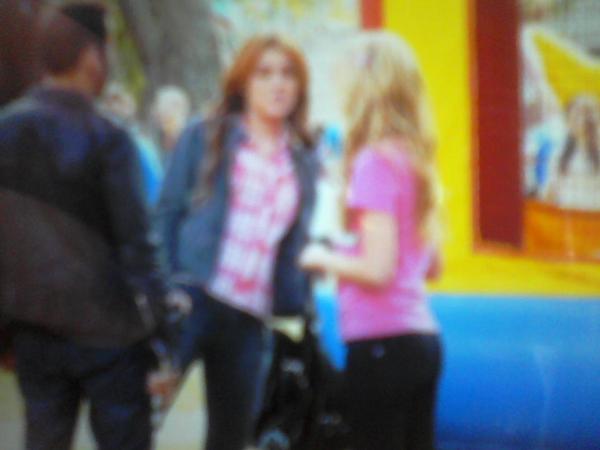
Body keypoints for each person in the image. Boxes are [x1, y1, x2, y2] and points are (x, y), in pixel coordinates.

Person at [0, 4, 185, 449]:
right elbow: (137, 246)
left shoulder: (6, 132)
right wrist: (166, 329)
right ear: (91, 56)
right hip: (110, 336)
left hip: (33, 332)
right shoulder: (108, 138)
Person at [154, 34, 317, 450]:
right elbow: (167, 213)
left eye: (288, 74)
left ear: (300, 86)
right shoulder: (205, 135)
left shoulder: (302, 158)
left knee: (230, 438)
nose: (278, 84)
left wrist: (299, 300)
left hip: (249, 317)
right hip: (192, 299)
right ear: (243, 82)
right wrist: (167, 288)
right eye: (264, 73)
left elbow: (295, 244)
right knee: (141, 418)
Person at [300, 31, 444, 450]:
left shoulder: (374, 162)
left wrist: (320, 256)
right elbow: (432, 265)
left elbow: (378, 270)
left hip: (381, 344)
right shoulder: (415, 159)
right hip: (421, 340)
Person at [542, 94, 600, 210]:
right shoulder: (559, 153)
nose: (583, 119)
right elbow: (550, 192)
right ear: (568, 120)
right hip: (568, 217)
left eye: (588, 113)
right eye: (577, 114)